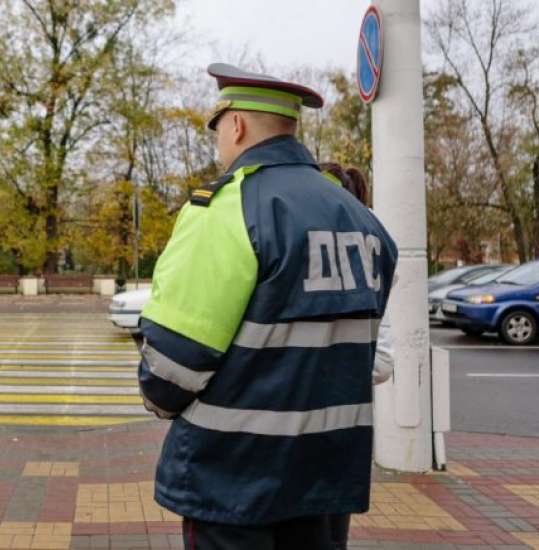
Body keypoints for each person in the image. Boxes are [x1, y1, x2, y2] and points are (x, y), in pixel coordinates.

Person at [137, 63, 398, 550]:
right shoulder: (363, 220)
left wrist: (155, 395)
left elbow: (171, 372)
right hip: (326, 480)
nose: (218, 144)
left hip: (233, 480)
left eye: (217, 130)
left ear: (235, 124)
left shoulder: (226, 208)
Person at [320, 162, 395, 550]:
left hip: (321, 437)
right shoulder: (373, 249)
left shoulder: (371, 251)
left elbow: (382, 360)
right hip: (342, 437)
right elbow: (382, 362)